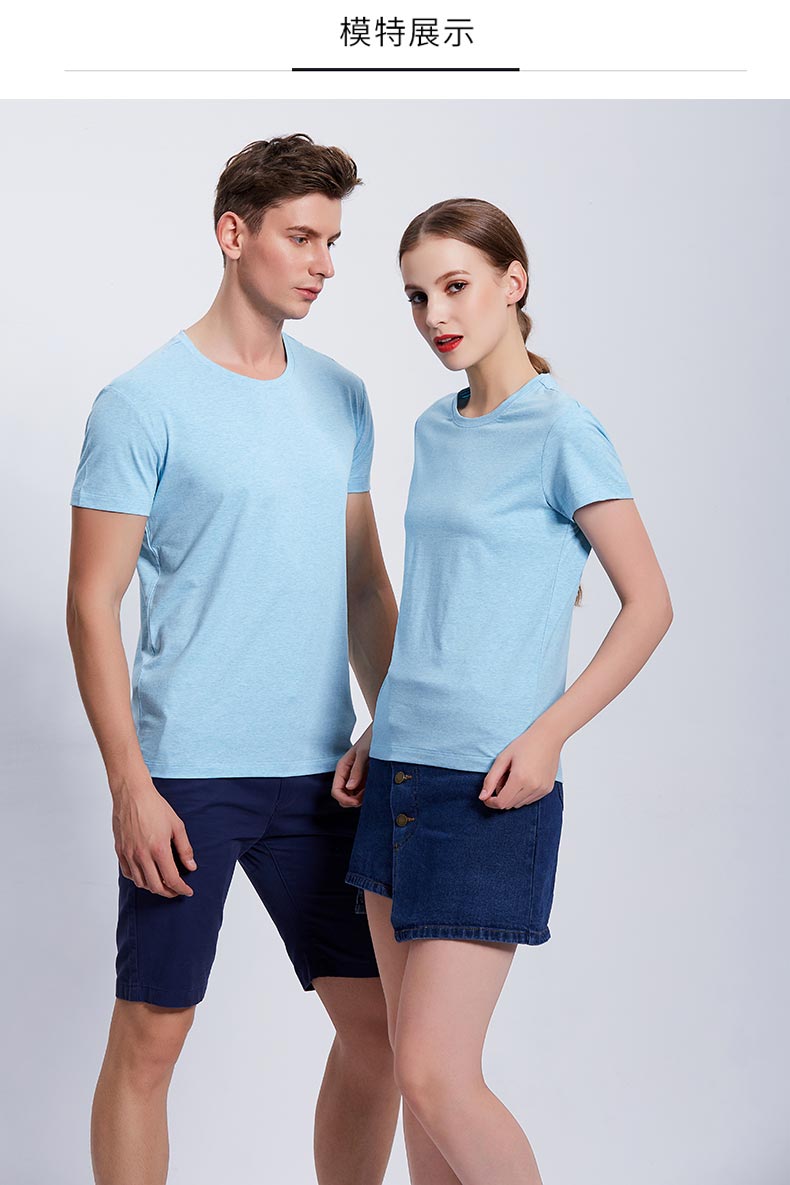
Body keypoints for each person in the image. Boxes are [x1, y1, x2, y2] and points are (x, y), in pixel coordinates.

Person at [66, 134, 401, 1185]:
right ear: (233, 233)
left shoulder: (342, 395)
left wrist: (390, 723)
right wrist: (130, 784)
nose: (323, 264)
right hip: (190, 774)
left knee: (384, 1033)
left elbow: (362, 585)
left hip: (322, 776)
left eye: (332, 241)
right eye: (302, 237)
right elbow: (90, 602)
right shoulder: (142, 401)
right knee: (152, 1038)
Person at [333, 197, 673, 1185]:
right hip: (398, 771)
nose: (435, 314)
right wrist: (383, 718)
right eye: (416, 296)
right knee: (418, 1084)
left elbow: (649, 604)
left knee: (437, 1075)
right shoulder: (433, 430)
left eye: (455, 286)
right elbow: (442, 601)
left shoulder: (564, 428)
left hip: (487, 787)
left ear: (512, 282)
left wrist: (549, 735)